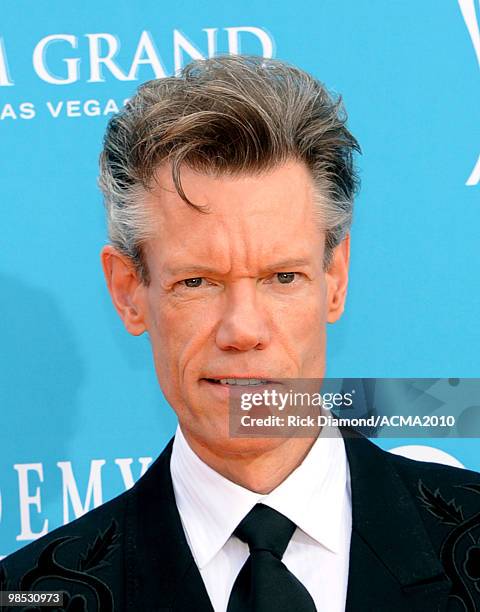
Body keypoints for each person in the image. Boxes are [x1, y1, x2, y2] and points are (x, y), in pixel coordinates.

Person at [1, 55, 480, 612]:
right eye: (198, 281)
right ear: (130, 291)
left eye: (283, 277)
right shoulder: (33, 595)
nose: (243, 330)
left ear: (335, 280)